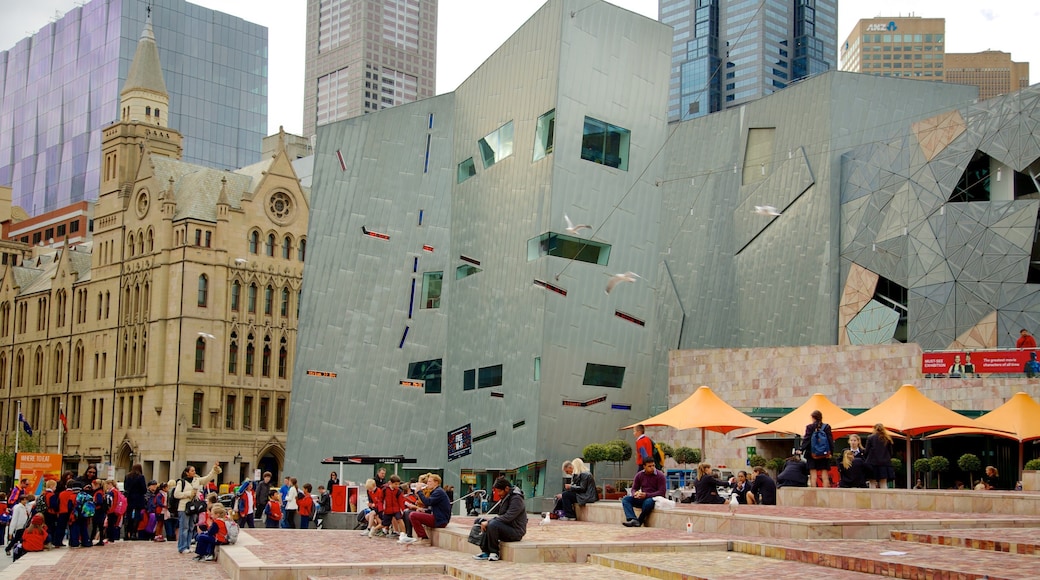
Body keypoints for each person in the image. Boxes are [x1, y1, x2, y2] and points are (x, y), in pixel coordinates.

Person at [472, 478, 527, 562]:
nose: (498, 494)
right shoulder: (506, 497)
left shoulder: (516, 499)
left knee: (493, 524)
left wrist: (489, 522)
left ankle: (494, 552)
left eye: (499, 491)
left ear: (507, 488)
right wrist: (487, 521)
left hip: (515, 531)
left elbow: (509, 516)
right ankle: (485, 551)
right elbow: (501, 516)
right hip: (506, 526)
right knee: (479, 521)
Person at [174, 463, 221, 555]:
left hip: (193, 507)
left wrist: (214, 470)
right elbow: (177, 494)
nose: (194, 472)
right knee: (184, 527)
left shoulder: (196, 480)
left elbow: (207, 478)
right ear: (187, 473)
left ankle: (187, 546)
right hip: (184, 507)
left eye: (194, 470)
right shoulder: (181, 482)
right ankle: (182, 547)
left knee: (191, 527)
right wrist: (189, 493)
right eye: (192, 470)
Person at [400, 473, 450, 544]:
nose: (427, 483)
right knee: (412, 513)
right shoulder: (437, 491)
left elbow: (428, 502)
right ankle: (409, 535)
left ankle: (424, 538)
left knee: (413, 515)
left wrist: (419, 491)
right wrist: (424, 510)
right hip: (439, 518)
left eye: (430, 481)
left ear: (436, 482)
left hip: (440, 520)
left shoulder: (438, 492)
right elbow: (435, 507)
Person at [621, 459, 666, 527]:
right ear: (644, 466)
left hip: (655, 499)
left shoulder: (660, 475)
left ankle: (639, 521)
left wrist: (647, 495)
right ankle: (632, 519)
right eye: (649, 466)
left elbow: (662, 492)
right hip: (642, 497)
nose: (652, 468)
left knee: (648, 502)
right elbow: (634, 488)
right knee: (626, 499)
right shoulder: (639, 475)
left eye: (653, 465)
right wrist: (635, 494)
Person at [800, 410, 833, 487]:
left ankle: (813, 493)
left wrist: (801, 449)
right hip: (824, 454)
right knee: (824, 475)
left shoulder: (810, 427)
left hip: (812, 453)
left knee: (813, 476)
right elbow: (830, 440)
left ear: (813, 418)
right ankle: (826, 493)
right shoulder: (827, 427)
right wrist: (831, 452)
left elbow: (807, 439)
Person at [864, 423, 895, 489]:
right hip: (884, 464)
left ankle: (872, 499)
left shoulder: (870, 438)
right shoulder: (887, 438)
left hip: (872, 463)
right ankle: (884, 499)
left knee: (872, 482)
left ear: (874, 429)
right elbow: (891, 452)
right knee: (883, 482)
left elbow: (866, 451)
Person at [123, 464, 147, 541]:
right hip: (138, 498)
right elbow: (144, 489)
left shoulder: (127, 476)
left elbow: (125, 487)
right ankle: (133, 534)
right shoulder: (141, 477)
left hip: (129, 498)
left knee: (128, 515)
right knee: (137, 515)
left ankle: (126, 533)